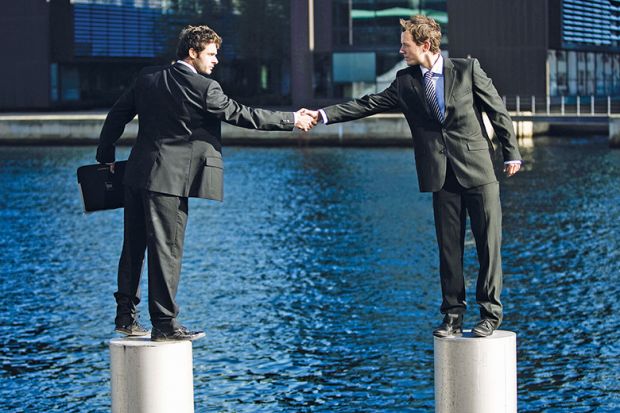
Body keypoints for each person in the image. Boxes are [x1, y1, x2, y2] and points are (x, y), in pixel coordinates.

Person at [304, 15, 521, 337]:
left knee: (489, 246)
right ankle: (453, 315)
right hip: (440, 174)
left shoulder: (466, 70)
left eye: (405, 44)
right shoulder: (405, 81)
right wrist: (321, 115)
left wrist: (511, 151)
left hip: (479, 172)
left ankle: (490, 313)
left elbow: (496, 111)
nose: (400, 49)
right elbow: (368, 104)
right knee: (449, 250)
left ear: (425, 45)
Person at [96, 25, 316, 341]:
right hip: (168, 182)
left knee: (133, 248)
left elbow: (117, 115)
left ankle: (125, 318)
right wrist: (291, 120)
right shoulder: (204, 87)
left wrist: (105, 154)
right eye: (211, 54)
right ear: (192, 52)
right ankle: (164, 323)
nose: (215, 61)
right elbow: (243, 115)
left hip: (136, 174)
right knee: (167, 250)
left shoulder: (147, 78)